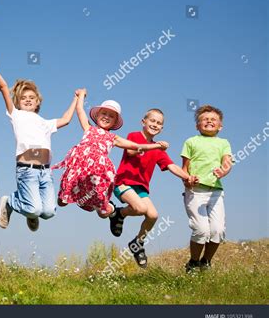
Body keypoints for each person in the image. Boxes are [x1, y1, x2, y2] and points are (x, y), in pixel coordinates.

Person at [0, 49, 78, 232]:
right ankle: (11, 202)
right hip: (27, 170)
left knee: (48, 212)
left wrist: (77, 99)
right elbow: (2, 86)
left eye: (32, 98)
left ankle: (31, 212)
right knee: (34, 208)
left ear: (38, 102)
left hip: (45, 173)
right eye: (23, 98)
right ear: (17, 102)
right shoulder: (16, 115)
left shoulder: (45, 123)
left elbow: (66, 119)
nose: (28, 100)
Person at [53, 94, 167, 222]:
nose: (107, 117)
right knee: (62, 202)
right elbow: (80, 110)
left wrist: (156, 146)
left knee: (103, 213)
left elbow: (135, 146)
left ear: (114, 122)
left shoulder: (113, 138)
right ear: (97, 115)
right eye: (104, 113)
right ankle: (73, 195)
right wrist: (80, 96)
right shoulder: (88, 128)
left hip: (97, 174)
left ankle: (109, 208)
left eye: (111, 116)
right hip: (79, 168)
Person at [110, 108, 198, 268]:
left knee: (153, 215)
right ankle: (118, 213)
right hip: (124, 182)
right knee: (141, 208)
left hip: (141, 188)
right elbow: (130, 150)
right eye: (152, 121)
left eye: (159, 123)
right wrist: (156, 146)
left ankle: (137, 243)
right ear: (143, 122)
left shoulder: (158, 149)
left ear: (162, 128)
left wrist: (187, 177)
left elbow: (171, 166)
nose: (155, 124)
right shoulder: (134, 136)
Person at [181, 105, 232, 272]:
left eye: (213, 119)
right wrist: (188, 180)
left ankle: (206, 261)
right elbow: (184, 168)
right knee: (201, 230)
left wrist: (223, 170)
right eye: (204, 119)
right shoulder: (191, 141)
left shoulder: (223, 143)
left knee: (218, 230)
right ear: (197, 125)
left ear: (220, 126)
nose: (209, 121)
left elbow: (227, 162)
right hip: (195, 191)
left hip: (216, 192)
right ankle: (193, 262)